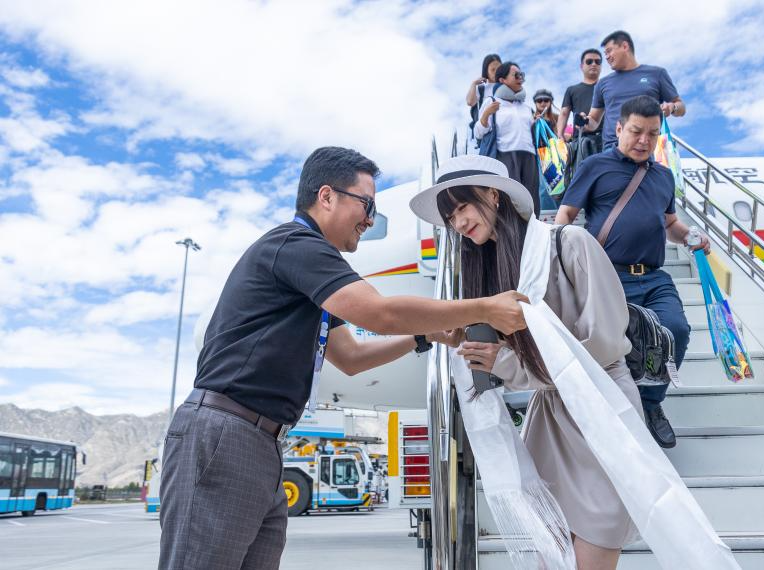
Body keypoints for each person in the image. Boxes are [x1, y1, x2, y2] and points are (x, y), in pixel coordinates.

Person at [158, 146, 529, 570]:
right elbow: (379, 313)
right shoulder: (296, 245)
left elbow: (351, 357)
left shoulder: (311, 276)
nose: (369, 220)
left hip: (261, 441)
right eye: (367, 205)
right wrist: (485, 308)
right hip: (227, 434)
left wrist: (423, 336)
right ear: (327, 196)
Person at [410, 154, 640, 570]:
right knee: (550, 559)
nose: (458, 223)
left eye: (462, 207)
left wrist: (506, 363)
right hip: (550, 419)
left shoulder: (569, 243)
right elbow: (518, 367)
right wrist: (469, 344)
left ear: (493, 194)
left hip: (601, 411)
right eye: (450, 217)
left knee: (596, 545)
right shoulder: (492, 269)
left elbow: (604, 345)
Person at [555, 96, 709, 449]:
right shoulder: (595, 166)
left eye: (652, 134)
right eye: (637, 131)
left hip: (654, 277)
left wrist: (691, 236)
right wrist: (562, 264)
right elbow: (565, 215)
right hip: (608, 276)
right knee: (613, 345)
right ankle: (608, 412)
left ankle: (651, 404)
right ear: (619, 128)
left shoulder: (663, 176)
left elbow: (669, 223)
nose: (644, 140)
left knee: (676, 331)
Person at [583, 31, 685, 151]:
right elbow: (594, 120)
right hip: (614, 148)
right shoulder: (602, 83)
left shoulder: (657, 74)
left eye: (609, 51)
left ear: (625, 46)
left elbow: (681, 107)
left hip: (649, 146)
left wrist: (672, 107)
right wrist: (584, 121)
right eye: (605, 54)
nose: (607, 57)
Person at [474, 61, 540, 214]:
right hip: (505, 155)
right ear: (502, 80)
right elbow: (478, 133)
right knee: (510, 200)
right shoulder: (492, 101)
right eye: (516, 75)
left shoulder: (526, 107)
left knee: (532, 199)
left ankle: (533, 226)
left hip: (529, 156)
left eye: (521, 75)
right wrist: (486, 114)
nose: (520, 78)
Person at [557, 48, 603, 147]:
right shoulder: (572, 90)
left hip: (606, 139)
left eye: (598, 61)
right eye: (589, 61)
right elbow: (564, 113)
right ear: (582, 66)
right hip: (580, 141)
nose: (594, 64)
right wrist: (560, 135)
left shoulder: (607, 87)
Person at [466, 53, 501, 131]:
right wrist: (474, 84)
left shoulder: (507, 86)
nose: (496, 72)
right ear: (486, 71)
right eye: (493, 70)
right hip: (487, 131)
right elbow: (470, 102)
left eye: (499, 69)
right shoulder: (482, 88)